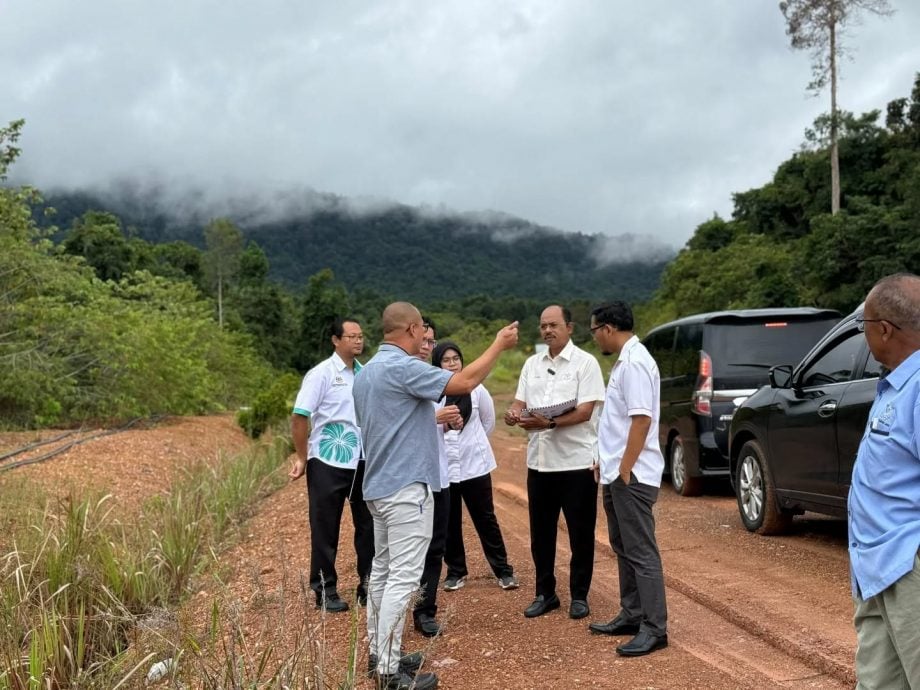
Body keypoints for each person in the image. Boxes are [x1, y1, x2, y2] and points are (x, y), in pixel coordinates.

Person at [354, 302, 518, 690]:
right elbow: (462, 384)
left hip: (378, 486)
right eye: (421, 333)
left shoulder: (367, 373)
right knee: (403, 580)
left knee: (381, 574)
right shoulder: (401, 366)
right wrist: (498, 345)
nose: (425, 339)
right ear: (411, 329)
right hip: (405, 488)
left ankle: (381, 653)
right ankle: (390, 673)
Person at [504, 305, 605, 620]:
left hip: (576, 463)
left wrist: (548, 423)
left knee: (580, 533)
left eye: (554, 325)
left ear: (570, 327)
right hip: (540, 464)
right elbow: (520, 403)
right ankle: (545, 593)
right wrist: (512, 413)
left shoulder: (585, 364)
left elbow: (586, 411)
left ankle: (579, 596)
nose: (548, 331)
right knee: (541, 534)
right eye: (543, 326)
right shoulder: (532, 364)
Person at [848, 273, 920, 688]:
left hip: (909, 568)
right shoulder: (895, 386)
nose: (865, 336)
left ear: (885, 330)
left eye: (865, 326)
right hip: (878, 570)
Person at [586, 300, 669, 657]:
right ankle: (633, 613)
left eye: (594, 331)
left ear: (607, 328)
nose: (595, 339)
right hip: (618, 472)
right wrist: (606, 463)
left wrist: (624, 468)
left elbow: (641, 420)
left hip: (631, 475)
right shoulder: (626, 362)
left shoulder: (635, 363)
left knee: (641, 551)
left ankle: (655, 628)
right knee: (623, 546)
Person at [289, 317, 373, 613]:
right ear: (336, 340)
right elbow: (300, 416)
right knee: (325, 528)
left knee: (369, 526)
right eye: (351, 336)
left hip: (362, 460)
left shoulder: (366, 374)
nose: (358, 341)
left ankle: (369, 586)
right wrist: (303, 456)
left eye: (360, 336)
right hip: (327, 460)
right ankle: (326, 591)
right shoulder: (321, 374)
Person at [433, 341, 518, 592]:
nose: (452, 364)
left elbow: (487, 423)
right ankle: (456, 571)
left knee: (485, 518)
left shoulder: (477, 390)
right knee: (449, 521)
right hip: (445, 467)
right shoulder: (432, 393)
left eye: (455, 359)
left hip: (475, 466)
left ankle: (503, 570)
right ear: (437, 365)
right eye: (445, 360)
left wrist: (472, 443)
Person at [412, 318, 461, 638]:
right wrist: (435, 418)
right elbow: (390, 425)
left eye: (432, 342)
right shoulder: (393, 375)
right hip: (408, 478)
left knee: (434, 547)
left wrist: (448, 422)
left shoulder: (434, 381)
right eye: (424, 340)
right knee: (405, 550)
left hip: (438, 474)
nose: (428, 347)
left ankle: (425, 610)